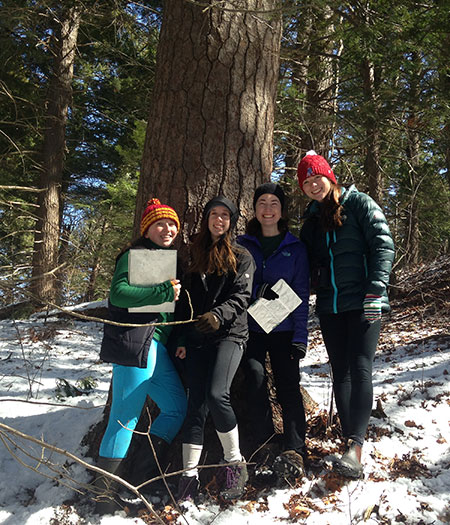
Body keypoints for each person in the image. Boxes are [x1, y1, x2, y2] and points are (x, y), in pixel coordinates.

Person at [297, 151, 395, 479]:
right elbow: (304, 264)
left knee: (360, 367)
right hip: (330, 306)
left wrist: (376, 289)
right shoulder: (311, 221)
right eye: (306, 183)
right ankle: (348, 444)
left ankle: (356, 445)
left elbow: (383, 244)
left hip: (365, 301)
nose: (313, 186)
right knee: (340, 371)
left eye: (317, 179)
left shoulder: (359, 203)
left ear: (330, 176)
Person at [94, 198, 187, 514]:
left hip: (158, 347)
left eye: (172, 224)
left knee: (176, 407)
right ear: (147, 228)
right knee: (125, 417)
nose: (167, 229)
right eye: (160, 224)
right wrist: (161, 292)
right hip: (135, 344)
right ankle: (102, 494)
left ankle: (140, 475)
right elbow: (118, 293)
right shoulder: (133, 256)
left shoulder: (167, 260)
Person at [175, 196, 255, 502]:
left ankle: (234, 462)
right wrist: (183, 338)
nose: (219, 220)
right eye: (214, 214)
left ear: (231, 222)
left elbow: (241, 296)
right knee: (195, 404)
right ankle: (187, 478)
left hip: (230, 336)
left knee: (216, 394)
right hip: (198, 338)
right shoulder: (194, 256)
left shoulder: (241, 255)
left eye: (225, 216)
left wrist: (218, 315)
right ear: (206, 218)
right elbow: (185, 304)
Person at [237, 183, 310, 480]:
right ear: (254, 209)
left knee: (288, 386)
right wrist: (256, 292)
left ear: (282, 210)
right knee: (254, 380)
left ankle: (294, 449)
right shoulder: (243, 244)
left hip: (284, 329)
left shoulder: (295, 247)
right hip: (250, 327)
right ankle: (266, 443)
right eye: (262, 203)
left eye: (274, 203)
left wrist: (300, 337)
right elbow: (234, 284)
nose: (268, 208)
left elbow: (302, 294)